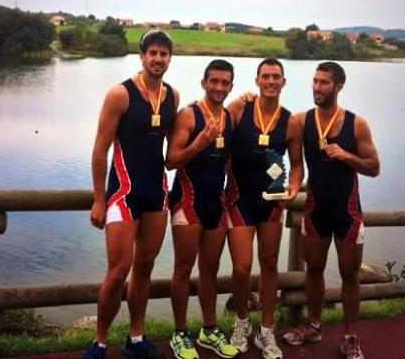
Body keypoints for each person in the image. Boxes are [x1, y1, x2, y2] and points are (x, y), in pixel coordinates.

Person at [83, 30, 179, 359]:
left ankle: (135, 337)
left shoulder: (172, 97)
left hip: (157, 192)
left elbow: (173, 145)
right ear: (141, 56)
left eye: (163, 54)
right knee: (117, 271)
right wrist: (99, 198)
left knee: (145, 266)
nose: (157, 59)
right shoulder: (120, 95)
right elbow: (100, 150)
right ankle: (98, 340)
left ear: (170, 58)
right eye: (152, 53)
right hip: (123, 193)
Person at [282, 61, 380, 359]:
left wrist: (347, 155)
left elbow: (374, 168)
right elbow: (296, 165)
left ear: (338, 86)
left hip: (347, 211)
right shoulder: (301, 121)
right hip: (316, 209)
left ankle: (350, 337)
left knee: (349, 275)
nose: (317, 87)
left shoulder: (356, 124)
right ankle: (313, 326)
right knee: (313, 269)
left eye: (324, 83)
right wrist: (292, 186)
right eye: (315, 81)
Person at [225, 58, 304, 359]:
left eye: (276, 77)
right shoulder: (238, 109)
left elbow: (297, 166)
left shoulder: (291, 121)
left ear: (283, 82)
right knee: (242, 267)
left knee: (269, 265)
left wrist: (294, 188)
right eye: (265, 76)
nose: (271, 81)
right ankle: (242, 322)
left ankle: (266, 331)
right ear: (256, 81)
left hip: (271, 203)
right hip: (239, 200)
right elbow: (219, 141)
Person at [165, 59, 239, 359]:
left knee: (210, 268)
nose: (219, 87)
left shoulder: (231, 117)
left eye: (225, 83)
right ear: (204, 83)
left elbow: (230, 159)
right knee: (183, 268)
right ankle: (180, 334)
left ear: (231, 86)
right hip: (188, 200)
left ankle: (209, 330)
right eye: (214, 81)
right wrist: (200, 142)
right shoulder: (188, 115)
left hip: (216, 203)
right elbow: (171, 160)